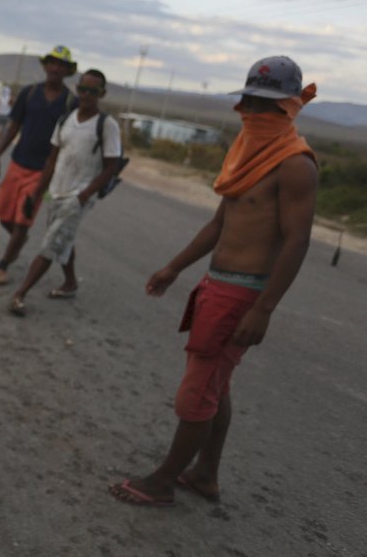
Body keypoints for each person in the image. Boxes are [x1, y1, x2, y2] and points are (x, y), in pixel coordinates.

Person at [109, 56, 318, 507]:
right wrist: (174, 267)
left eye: (262, 104)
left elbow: (297, 241)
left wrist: (263, 308)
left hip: (241, 293)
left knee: (197, 392)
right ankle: (205, 474)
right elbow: (221, 222)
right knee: (214, 385)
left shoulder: (295, 165)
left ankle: (165, 481)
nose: (248, 110)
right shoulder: (248, 151)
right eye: (246, 100)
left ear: (288, 108)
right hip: (216, 282)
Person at [6, 69, 121, 316]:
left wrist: (84, 195)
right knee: (62, 238)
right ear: (77, 89)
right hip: (56, 191)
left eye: (94, 91)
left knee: (50, 243)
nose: (87, 95)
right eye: (83, 89)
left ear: (102, 94)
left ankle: (20, 293)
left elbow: (111, 167)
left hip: (79, 198)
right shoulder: (66, 120)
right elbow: (51, 161)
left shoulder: (107, 125)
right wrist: (37, 194)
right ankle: (70, 283)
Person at [0, 45, 78, 286]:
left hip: (44, 172)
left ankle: (4, 263)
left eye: (61, 64)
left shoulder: (71, 102)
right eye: (52, 62)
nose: (56, 68)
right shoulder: (29, 93)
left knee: (22, 219)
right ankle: (19, 239)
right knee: (3, 213)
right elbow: (13, 127)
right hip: (18, 164)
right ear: (46, 66)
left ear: (67, 70)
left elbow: (72, 142)